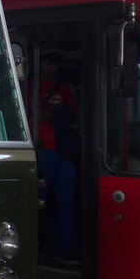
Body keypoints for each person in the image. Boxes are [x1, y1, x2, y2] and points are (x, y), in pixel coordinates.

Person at [36, 53, 77, 263]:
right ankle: (35, 248)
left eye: (56, 62)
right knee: (38, 202)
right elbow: (30, 114)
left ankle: (65, 250)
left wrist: (49, 114)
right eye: (48, 60)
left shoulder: (65, 88)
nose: (53, 65)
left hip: (63, 152)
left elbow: (73, 114)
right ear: (40, 62)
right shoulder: (30, 86)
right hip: (43, 150)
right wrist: (57, 114)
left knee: (66, 203)